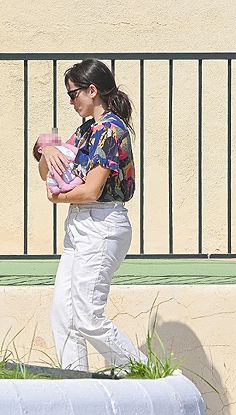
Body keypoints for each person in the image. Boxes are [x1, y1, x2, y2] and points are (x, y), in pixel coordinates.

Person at [35, 59, 146, 372]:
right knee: (63, 315)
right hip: (82, 224)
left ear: (92, 90)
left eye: (74, 95)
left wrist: (58, 195)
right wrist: (48, 149)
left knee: (87, 316)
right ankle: (78, 386)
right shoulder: (87, 130)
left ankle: (144, 372)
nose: (71, 102)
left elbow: (91, 190)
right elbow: (49, 170)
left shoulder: (111, 130)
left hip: (102, 224)